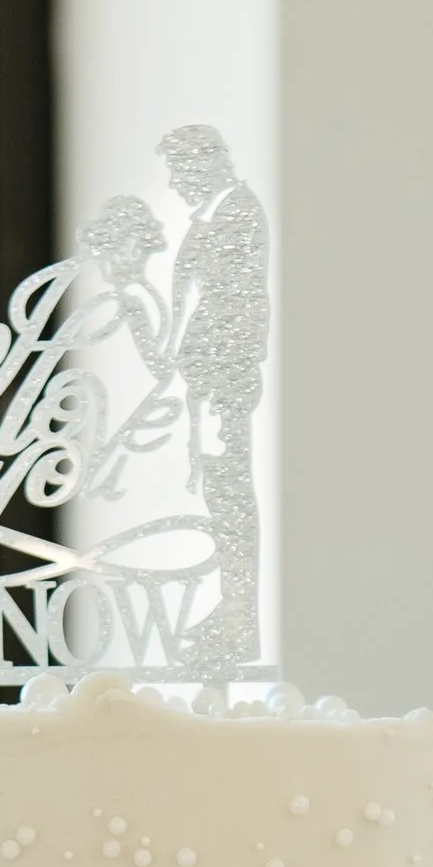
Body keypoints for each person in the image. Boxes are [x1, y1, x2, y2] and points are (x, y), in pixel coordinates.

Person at [159, 124, 270, 672]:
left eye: (179, 172)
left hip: (223, 386)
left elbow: (234, 309)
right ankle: (232, 613)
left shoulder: (236, 215)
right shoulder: (215, 218)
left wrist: (209, 374)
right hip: (209, 384)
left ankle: (238, 623)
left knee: (230, 501)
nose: (175, 185)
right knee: (218, 497)